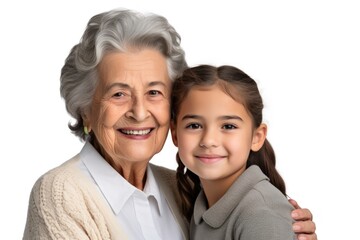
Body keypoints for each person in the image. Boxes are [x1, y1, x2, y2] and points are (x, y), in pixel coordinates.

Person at [23, 8, 317, 240]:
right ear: (85, 109)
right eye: (118, 94)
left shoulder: (182, 188)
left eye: (154, 92)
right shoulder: (61, 195)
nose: (139, 113)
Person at [170, 65, 309, 239]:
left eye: (228, 126)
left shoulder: (260, 216)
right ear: (175, 134)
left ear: (256, 137)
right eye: (194, 125)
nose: (209, 141)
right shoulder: (199, 202)